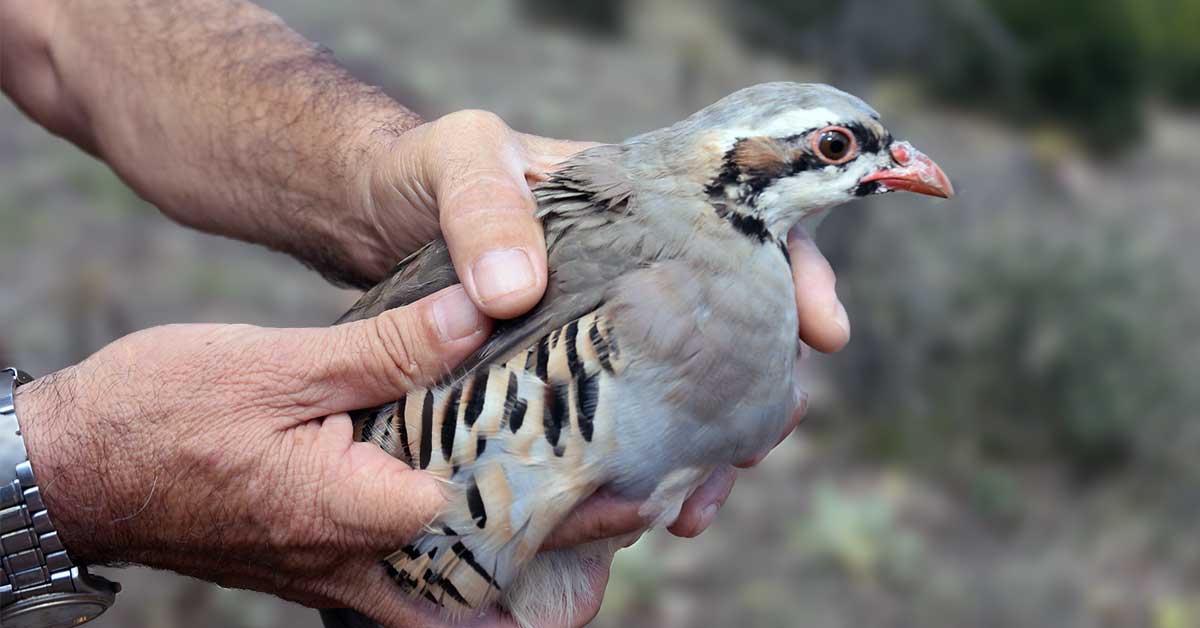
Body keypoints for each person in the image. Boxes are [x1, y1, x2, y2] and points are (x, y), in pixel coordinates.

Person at [0, 1, 852, 626]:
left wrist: (377, 171)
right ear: (740, 164)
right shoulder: (637, 255)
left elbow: (59, 27)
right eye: (838, 150)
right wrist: (53, 473)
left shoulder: (671, 249)